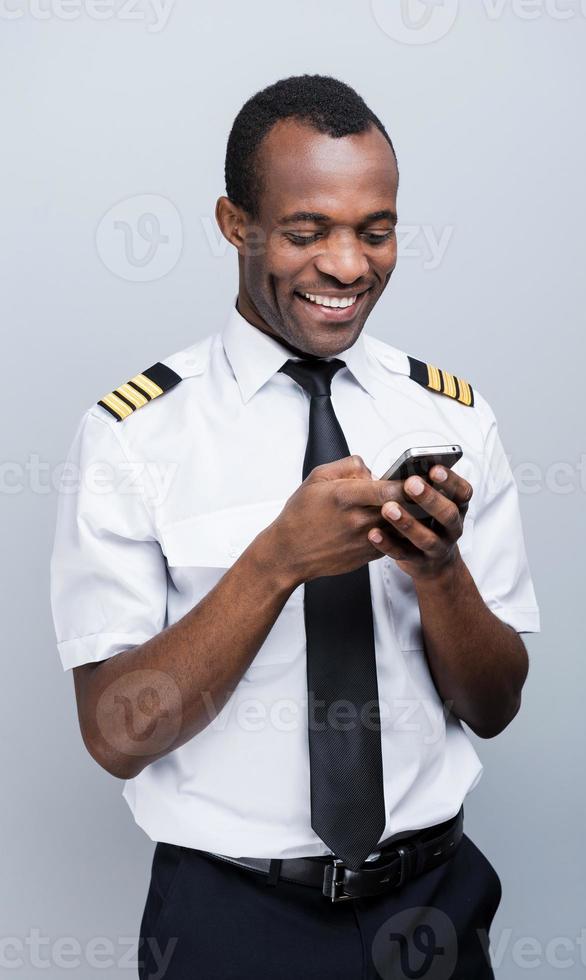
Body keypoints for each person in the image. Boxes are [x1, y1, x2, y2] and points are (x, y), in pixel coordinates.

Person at [50, 74, 540, 980]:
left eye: (376, 230)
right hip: (230, 920)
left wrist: (438, 571)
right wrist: (276, 562)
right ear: (235, 224)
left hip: (431, 907)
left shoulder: (455, 417)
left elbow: (495, 705)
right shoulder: (134, 434)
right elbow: (116, 737)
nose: (349, 267)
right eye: (306, 232)